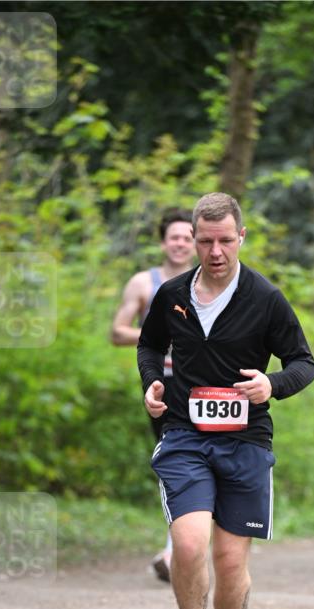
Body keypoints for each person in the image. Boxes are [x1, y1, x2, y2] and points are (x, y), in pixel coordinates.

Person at [137, 192, 314, 609]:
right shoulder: (172, 293)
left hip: (246, 443)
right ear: (192, 240)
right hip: (185, 435)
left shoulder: (266, 298)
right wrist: (152, 382)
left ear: (241, 237)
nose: (215, 251)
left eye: (225, 240)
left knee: (231, 560)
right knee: (189, 543)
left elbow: (304, 362)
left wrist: (271, 385)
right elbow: (149, 344)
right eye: (205, 241)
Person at [111, 209, 195, 581]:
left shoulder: (209, 281)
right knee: (175, 462)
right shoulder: (144, 283)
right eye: (174, 237)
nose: (180, 243)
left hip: (206, 386)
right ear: (163, 242)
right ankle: (177, 548)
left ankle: (179, 549)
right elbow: (117, 331)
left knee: (200, 462)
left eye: (187, 237)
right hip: (162, 387)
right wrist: (161, 337)